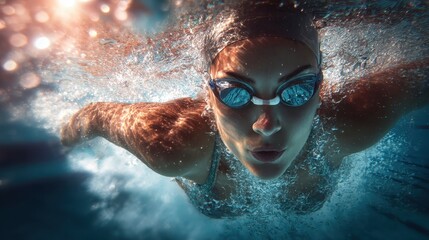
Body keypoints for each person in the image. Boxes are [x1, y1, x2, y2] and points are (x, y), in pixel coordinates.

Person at [60, 1, 429, 218]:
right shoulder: (172, 143)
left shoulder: (354, 118)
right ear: (207, 96)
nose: (267, 125)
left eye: (298, 91)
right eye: (236, 93)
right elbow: (92, 115)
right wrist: (56, 142)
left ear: (322, 91)